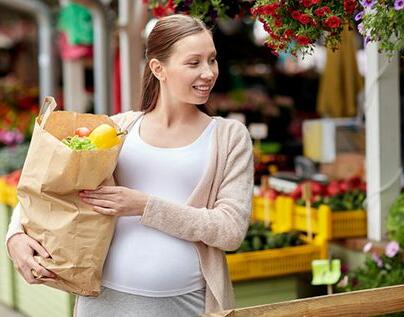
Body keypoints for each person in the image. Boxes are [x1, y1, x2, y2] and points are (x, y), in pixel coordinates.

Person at [5, 14, 254, 316]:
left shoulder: (228, 137)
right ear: (158, 69)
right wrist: (16, 235)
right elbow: (52, 184)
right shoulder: (118, 128)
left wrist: (144, 205)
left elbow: (230, 230)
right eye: (194, 63)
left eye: (212, 60)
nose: (208, 73)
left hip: (185, 304)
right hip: (104, 302)